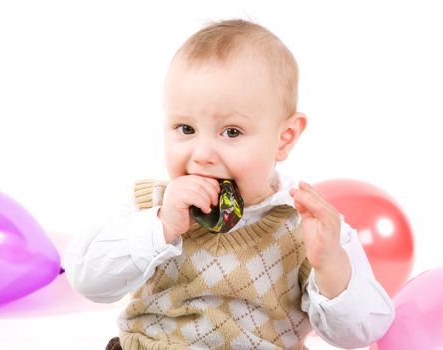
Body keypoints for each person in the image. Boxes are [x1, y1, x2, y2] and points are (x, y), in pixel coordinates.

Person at [65, 19, 394, 349]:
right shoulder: (150, 204)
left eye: (232, 132)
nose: (203, 154)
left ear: (284, 138)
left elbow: (362, 333)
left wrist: (331, 264)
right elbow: (86, 279)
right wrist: (161, 226)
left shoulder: (307, 226)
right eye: (185, 129)